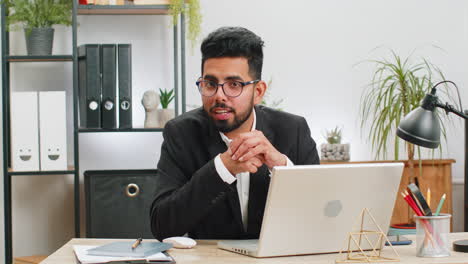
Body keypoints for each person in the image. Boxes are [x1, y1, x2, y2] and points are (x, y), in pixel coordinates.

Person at [150, 26, 320, 241]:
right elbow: (162, 226)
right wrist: (222, 168)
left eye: (234, 85)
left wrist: (282, 168)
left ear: (258, 92)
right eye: (210, 84)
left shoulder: (293, 130)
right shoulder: (182, 133)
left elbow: (320, 216)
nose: (220, 96)